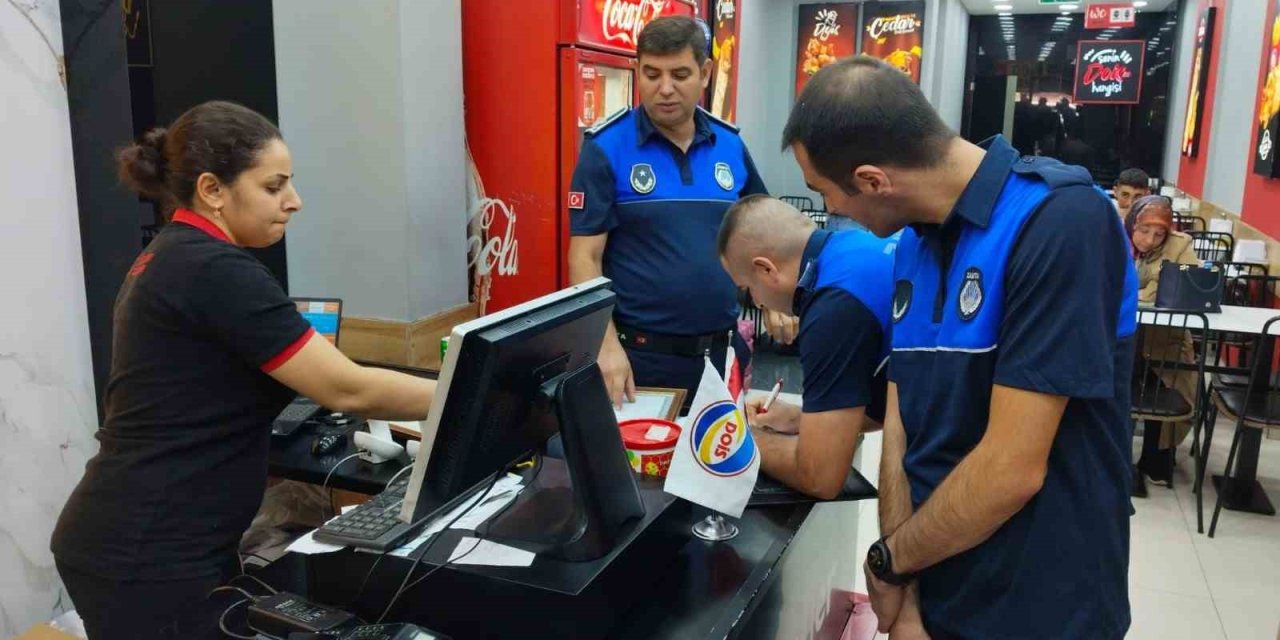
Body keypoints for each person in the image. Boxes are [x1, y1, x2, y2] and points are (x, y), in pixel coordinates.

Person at [50, 101, 438, 639]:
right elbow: (347, 388)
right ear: (213, 190)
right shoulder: (212, 268)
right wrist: (467, 388)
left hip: (154, 540)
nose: (293, 202)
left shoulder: (177, 255)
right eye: (274, 186)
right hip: (146, 551)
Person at [783, 56, 1137, 639]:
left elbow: (1011, 469)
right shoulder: (914, 245)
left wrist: (890, 561)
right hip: (936, 586)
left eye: (826, 193)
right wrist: (908, 593)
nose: (830, 211)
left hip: (1041, 606)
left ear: (873, 180)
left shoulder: (1061, 220)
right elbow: (903, 426)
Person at [567, 16, 767, 411]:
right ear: (638, 71)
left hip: (722, 355)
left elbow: (763, 230)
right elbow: (584, 256)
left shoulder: (730, 145)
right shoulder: (606, 148)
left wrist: (775, 301)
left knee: (721, 469)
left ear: (705, 73)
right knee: (642, 473)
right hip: (638, 359)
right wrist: (604, 346)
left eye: (680, 74)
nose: (665, 89)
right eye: (652, 74)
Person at [717, 195, 893, 499]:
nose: (757, 303)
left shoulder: (833, 306)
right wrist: (801, 418)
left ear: (766, 269)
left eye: (747, 290)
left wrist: (737, 438)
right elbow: (887, 399)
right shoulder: (855, 246)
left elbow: (819, 476)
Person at [1127, 195, 1200, 492]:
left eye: (1159, 234)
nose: (1150, 239)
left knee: (1166, 390)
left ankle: (1156, 459)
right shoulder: (1113, 237)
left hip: (1165, 343)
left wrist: (1143, 291)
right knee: (1122, 389)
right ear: (1132, 223)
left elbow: (1183, 286)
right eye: (1143, 230)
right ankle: (1117, 459)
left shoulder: (1180, 245)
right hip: (1122, 339)